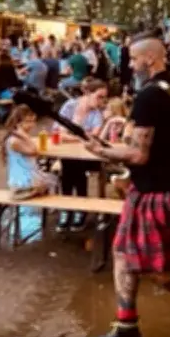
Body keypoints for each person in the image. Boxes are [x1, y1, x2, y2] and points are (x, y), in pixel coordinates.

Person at [83, 32, 170, 337]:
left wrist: (100, 150)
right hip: (169, 187)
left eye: (133, 59)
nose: (131, 65)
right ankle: (127, 330)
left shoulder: (147, 96)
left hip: (153, 194)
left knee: (160, 271)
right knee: (126, 256)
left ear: (150, 59)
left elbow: (137, 155)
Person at [55, 78, 107, 230]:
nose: (102, 101)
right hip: (70, 155)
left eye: (104, 97)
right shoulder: (69, 106)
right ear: (87, 93)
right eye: (99, 96)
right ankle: (77, 208)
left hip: (89, 157)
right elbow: (58, 132)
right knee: (71, 166)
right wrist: (81, 136)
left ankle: (68, 208)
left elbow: (93, 137)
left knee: (71, 167)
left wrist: (71, 135)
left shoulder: (97, 113)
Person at [0, 105, 55, 200]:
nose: (32, 125)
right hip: (21, 185)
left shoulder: (17, 138)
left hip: (27, 180)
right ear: (18, 123)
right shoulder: (15, 141)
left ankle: (45, 210)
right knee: (52, 181)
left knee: (53, 180)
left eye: (33, 121)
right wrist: (26, 137)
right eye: (28, 121)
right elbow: (34, 152)